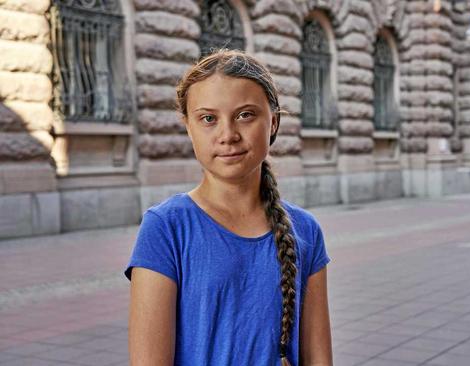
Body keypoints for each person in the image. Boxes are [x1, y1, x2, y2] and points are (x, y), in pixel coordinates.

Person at [125, 50, 332, 366]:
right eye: (208, 119)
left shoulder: (305, 230)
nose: (228, 135)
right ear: (188, 127)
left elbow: (319, 359)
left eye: (246, 115)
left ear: (273, 121)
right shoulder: (166, 228)